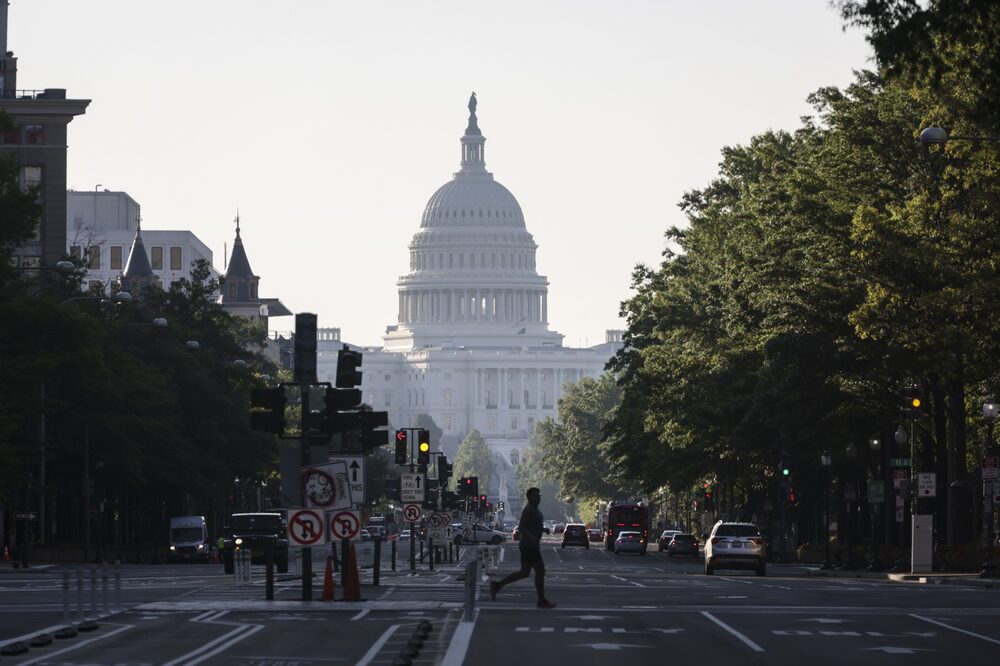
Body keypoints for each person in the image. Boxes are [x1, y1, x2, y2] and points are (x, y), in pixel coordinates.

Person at [490, 487, 555, 608]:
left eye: (539, 495)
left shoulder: (535, 510)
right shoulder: (529, 509)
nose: (538, 497)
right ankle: (541, 600)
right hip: (529, 546)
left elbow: (534, 525)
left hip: (531, 545)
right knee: (540, 571)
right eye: (535, 495)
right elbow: (521, 527)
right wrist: (531, 537)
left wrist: (543, 529)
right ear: (529, 497)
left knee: (524, 572)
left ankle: (497, 585)